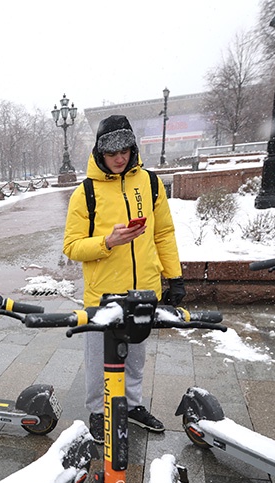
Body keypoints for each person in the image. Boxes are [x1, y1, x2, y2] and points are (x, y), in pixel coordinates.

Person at [63, 114, 186, 442]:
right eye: (111, 152)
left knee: (135, 357)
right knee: (97, 360)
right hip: (102, 295)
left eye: (125, 151)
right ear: (99, 152)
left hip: (142, 291)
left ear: (133, 149)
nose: (119, 158)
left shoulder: (151, 184)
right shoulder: (85, 193)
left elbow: (164, 233)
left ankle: (131, 406)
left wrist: (174, 277)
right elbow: (72, 246)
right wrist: (107, 242)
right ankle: (97, 411)